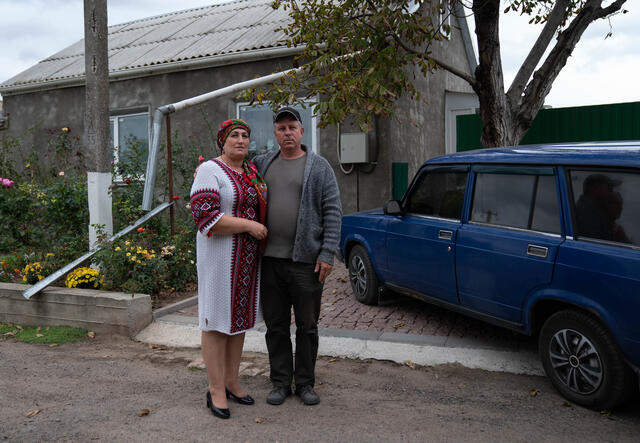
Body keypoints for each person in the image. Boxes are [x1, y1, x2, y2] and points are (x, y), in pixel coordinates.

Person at [252, 106, 342, 406]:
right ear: (274, 134)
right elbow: (233, 176)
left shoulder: (319, 167)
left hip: (306, 263)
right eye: (281, 128)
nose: (287, 133)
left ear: (302, 132)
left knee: (307, 326)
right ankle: (280, 382)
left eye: (292, 127)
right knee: (275, 326)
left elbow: (333, 211)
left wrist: (327, 252)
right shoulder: (262, 163)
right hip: (270, 262)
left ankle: (305, 383)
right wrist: (206, 169)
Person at [189, 119, 268, 419]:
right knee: (215, 322)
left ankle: (232, 381)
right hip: (219, 259)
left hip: (246, 261)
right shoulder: (210, 170)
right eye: (234, 135)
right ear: (222, 141)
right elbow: (205, 216)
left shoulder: (251, 172)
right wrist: (249, 225)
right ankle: (216, 388)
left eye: (245, 135)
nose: (241, 140)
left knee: (238, 322)